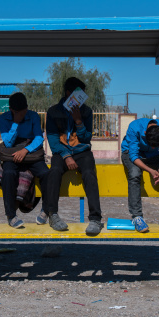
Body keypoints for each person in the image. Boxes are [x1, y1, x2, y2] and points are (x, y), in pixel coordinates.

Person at [40, 77, 103, 235]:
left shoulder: (86, 111)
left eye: (83, 94)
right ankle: (52, 215)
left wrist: (78, 121)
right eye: (79, 94)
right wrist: (66, 155)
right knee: (53, 171)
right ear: (69, 93)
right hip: (61, 152)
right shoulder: (54, 111)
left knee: (89, 173)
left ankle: (95, 219)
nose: (82, 98)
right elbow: (53, 141)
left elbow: (86, 137)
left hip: (82, 151)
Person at [0, 92, 50, 228]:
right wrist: (15, 122)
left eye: (24, 110)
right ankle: (11, 215)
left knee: (45, 173)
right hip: (12, 152)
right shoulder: (3, 118)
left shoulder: (33, 116)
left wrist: (25, 150)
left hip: (30, 151)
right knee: (8, 173)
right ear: (12, 110)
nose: (23, 113)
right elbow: (8, 143)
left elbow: (39, 138)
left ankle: (46, 210)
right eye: (19, 111)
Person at [121, 118, 159, 233]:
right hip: (131, 153)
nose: (153, 147)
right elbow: (133, 156)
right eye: (151, 144)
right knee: (134, 172)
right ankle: (137, 217)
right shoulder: (134, 127)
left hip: (152, 156)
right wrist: (151, 171)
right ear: (145, 133)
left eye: (156, 145)